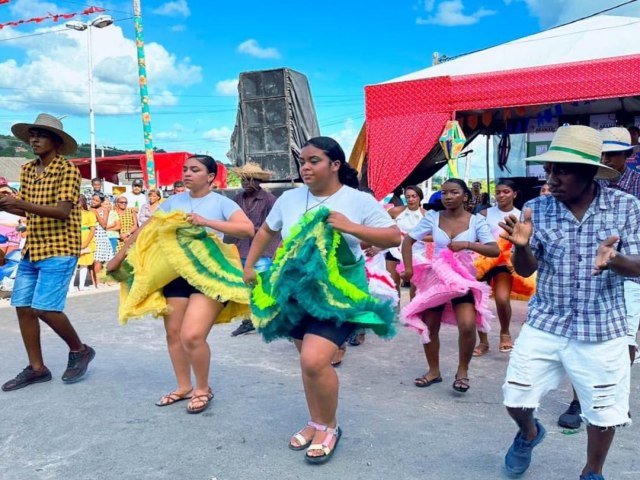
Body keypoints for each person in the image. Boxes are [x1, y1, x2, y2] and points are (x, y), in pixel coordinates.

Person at [243, 136, 400, 464]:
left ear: (335, 165)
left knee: (315, 360)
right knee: (307, 362)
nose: (305, 167)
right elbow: (266, 232)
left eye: (314, 160)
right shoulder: (289, 199)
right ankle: (315, 420)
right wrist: (249, 266)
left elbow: (392, 236)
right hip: (297, 291)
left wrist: (350, 226)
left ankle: (330, 425)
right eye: (303, 161)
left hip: (338, 293)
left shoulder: (356, 200)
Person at [500, 125, 640, 480]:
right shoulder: (537, 209)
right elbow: (526, 268)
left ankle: (592, 471)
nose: (553, 178)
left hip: (602, 326)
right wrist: (521, 246)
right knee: (515, 398)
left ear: (590, 172)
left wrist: (616, 260)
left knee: (604, 411)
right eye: (550, 169)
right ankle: (529, 432)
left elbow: (638, 265)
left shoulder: (626, 207)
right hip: (547, 321)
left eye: (562, 169)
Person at [111, 154, 254, 414]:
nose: (187, 173)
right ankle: (183, 386)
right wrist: (119, 256)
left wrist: (206, 222)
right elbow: (145, 230)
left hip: (209, 277)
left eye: (195, 170)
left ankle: (202, 388)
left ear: (210, 176)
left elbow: (246, 229)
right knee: (174, 334)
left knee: (193, 335)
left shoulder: (220, 202)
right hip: (175, 275)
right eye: (185, 169)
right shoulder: (173, 202)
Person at [0, 113, 95, 391]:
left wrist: (20, 203)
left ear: (55, 141)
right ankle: (37, 368)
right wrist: (7, 205)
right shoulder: (28, 169)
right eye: (32, 135)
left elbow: (63, 211)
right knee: (23, 307)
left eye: (40, 135)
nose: (34, 139)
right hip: (34, 247)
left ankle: (79, 350)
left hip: (60, 247)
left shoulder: (67, 170)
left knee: (45, 308)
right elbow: (25, 207)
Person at [556, 126, 640, 431]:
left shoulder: (636, 186)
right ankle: (579, 400)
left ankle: (615, 399)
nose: (607, 158)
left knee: (624, 339)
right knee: (580, 334)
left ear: (627, 156)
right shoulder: (574, 184)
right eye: (602, 153)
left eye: (614, 154)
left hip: (628, 273)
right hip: (583, 270)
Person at [400, 178, 499, 392]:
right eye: (444, 193)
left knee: (467, 324)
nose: (448, 197)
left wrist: (467, 244)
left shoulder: (476, 222)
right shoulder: (433, 218)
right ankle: (433, 371)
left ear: (464, 196)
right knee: (430, 326)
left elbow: (494, 249)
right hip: (436, 279)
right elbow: (407, 241)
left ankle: (462, 371)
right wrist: (408, 269)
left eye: (453, 192)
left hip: (463, 280)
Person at [227, 162, 280, 337]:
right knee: (246, 285)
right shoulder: (237, 199)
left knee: (262, 284)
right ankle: (248, 320)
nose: (245, 183)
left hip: (263, 249)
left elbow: (276, 226)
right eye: (243, 180)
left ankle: (267, 319)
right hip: (241, 248)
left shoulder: (270, 200)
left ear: (258, 181)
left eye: (249, 179)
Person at [473, 179, 522, 356]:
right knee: (478, 302)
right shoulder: (484, 214)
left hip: (504, 264)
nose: (501, 195)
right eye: (498, 191)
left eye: (506, 192)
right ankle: (483, 341)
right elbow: (475, 236)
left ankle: (505, 332)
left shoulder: (521, 215)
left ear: (514, 194)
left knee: (502, 299)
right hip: (482, 263)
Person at [384, 186, 426, 297]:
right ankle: (396, 312)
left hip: (417, 253)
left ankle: (413, 313)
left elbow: (434, 236)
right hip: (395, 250)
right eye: (408, 197)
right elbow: (383, 226)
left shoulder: (427, 215)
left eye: (414, 196)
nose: (411, 199)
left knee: (415, 285)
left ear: (419, 197)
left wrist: (414, 237)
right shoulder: (395, 211)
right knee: (392, 284)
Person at [69, 196, 96, 291]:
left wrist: (86, 242)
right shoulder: (70, 214)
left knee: (85, 264)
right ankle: (70, 286)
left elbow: (92, 230)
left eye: (78, 202)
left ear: (83, 202)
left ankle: (81, 285)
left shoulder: (89, 214)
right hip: (74, 239)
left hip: (86, 237)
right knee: (73, 264)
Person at [90, 192, 114, 287]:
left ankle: (99, 281)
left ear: (101, 202)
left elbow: (104, 225)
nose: (94, 202)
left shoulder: (104, 210)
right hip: (91, 236)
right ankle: (93, 282)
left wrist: (96, 213)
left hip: (100, 236)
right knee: (91, 262)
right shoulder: (89, 209)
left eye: (96, 200)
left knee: (98, 260)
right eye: (93, 199)